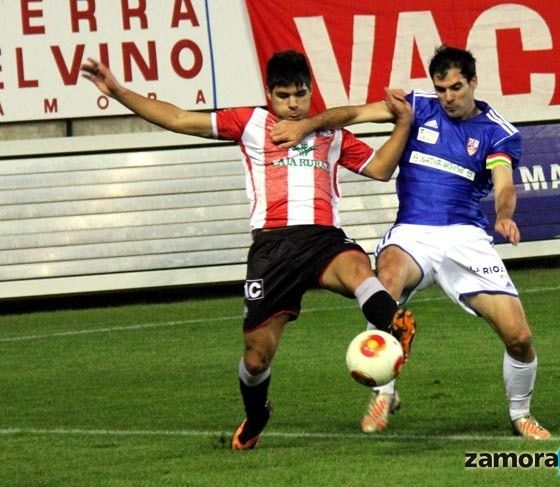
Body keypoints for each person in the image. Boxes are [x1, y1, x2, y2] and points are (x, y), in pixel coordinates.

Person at [81, 50, 416, 449]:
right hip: (271, 249)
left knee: (359, 271)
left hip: (323, 238)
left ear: (311, 92)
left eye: (301, 94)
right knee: (256, 358)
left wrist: (404, 124)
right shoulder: (251, 123)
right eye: (284, 96)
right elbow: (177, 118)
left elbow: (380, 169)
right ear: (269, 95)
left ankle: (397, 323)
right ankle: (257, 414)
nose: (294, 104)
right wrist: (118, 91)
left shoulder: (331, 133)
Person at [271, 45, 550, 439]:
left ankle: (520, 414)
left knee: (519, 337)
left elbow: (504, 183)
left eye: (456, 87)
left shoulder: (497, 132)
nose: (448, 97)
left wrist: (504, 215)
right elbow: (353, 114)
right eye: (441, 89)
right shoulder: (417, 105)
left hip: (464, 237)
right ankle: (384, 391)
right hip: (412, 232)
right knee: (384, 283)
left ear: (473, 82)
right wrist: (307, 125)